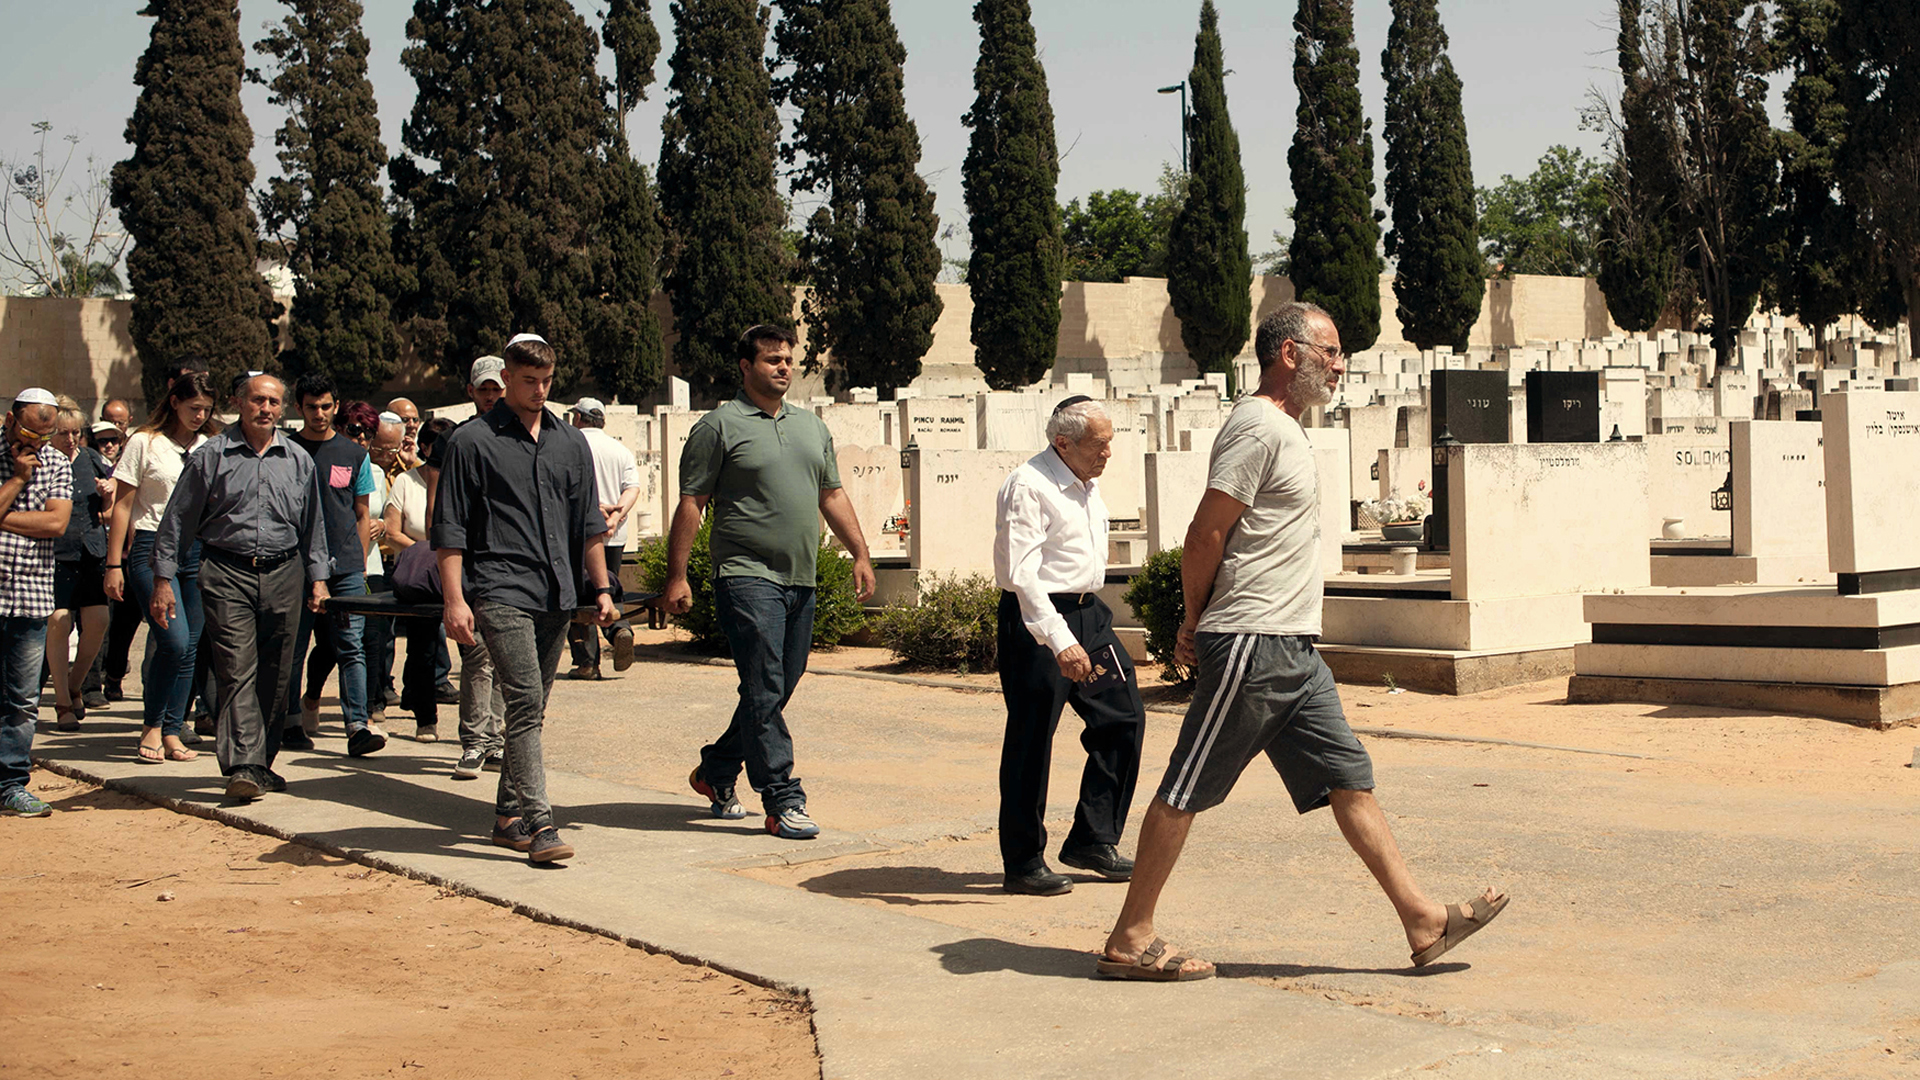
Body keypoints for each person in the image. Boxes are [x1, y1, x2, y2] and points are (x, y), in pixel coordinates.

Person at [1098, 303, 1508, 982]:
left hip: (1293, 647)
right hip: (1253, 641)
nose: (1340, 366)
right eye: (1331, 353)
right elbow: (1205, 533)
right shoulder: (1257, 427)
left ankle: (1422, 919)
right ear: (1289, 355)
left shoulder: (1284, 431)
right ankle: (1129, 934)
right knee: (1188, 784)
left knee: (1348, 777)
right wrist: (1194, 622)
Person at [667, 324, 876, 840]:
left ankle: (716, 769)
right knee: (763, 682)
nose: (783, 368)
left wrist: (861, 552)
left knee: (779, 685)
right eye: (771, 361)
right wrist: (677, 576)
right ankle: (782, 797)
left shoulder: (811, 428)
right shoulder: (718, 427)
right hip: (745, 574)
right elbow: (692, 502)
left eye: (788, 360)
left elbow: (831, 494)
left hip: (800, 576)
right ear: (745, 367)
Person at [435, 334, 615, 864]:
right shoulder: (472, 442)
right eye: (528, 381)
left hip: (557, 592)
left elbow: (588, 525)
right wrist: (454, 600)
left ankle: (506, 817)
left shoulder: (569, 442)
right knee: (521, 700)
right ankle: (540, 823)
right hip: (499, 589)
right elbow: (449, 529)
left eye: (546, 382)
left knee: (532, 708)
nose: (539, 391)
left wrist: (601, 588)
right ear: (506, 380)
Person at [992, 396, 1146, 895]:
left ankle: (1091, 838)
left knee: (1122, 717)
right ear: (1063, 443)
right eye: (1099, 444)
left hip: (1088, 615)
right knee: (1032, 739)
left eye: (1109, 443)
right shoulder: (1029, 486)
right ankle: (1022, 861)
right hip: (1038, 618)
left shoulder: (1085, 482)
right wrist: (1058, 640)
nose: (1108, 453)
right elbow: (1022, 575)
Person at [153, 375, 331, 801]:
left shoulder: (298, 459)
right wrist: (163, 578)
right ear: (239, 403)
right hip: (226, 572)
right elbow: (176, 523)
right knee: (236, 669)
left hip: (285, 573)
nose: (265, 408)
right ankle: (242, 764)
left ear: (282, 408)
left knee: (279, 670)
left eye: (273, 401)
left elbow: (313, 526)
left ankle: (260, 763)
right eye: (257, 400)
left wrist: (319, 579)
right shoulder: (211, 457)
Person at [104, 371, 219, 765]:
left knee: (189, 647)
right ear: (174, 402)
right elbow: (122, 505)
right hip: (151, 546)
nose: (199, 416)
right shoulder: (144, 442)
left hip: (198, 549)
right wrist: (113, 563)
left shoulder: (211, 446)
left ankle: (172, 729)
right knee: (171, 640)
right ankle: (151, 725)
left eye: (206, 410)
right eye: (193, 408)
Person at [280, 373, 379, 757]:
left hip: (347, 568)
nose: (319, 414)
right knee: (294, 645)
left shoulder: (355, 455)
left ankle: (357, 725)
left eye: (325, 406)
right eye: (310, 407)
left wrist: (360, 561)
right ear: (299, 408)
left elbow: (362, 513)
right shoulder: (287, 451)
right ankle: (290, 721)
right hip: (296, 566)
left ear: (336, 406)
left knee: (351, 645)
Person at [1, 389, 73, 817]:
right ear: (10, 419)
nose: (35, 444)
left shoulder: (59, 463)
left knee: (22, 700)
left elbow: (56, 522)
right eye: (28, 432)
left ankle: (10, 783)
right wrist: (17, 481)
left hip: (29, 593)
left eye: (44, 436)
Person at [44, 403, 114, 731]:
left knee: (98, 620)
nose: (71, 439)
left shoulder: (93, 460)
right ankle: (61, 702)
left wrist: (108, 494)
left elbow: (112, 512)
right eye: (63, 433)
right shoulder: (44, 462)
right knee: (59, 620)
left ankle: (74, 685)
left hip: (91, 550)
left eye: (76, 432)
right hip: (56, 552)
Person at [566, 397, 641, 681]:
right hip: (614, 536)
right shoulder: (619, 449)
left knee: (580, 597)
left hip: (581, 535)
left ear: (579, 418)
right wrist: (613, 519)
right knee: (609, 587)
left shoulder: (572, 445)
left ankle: (587, 662)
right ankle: (619, 628)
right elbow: (632, 488)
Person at [82, 421, 131, 708]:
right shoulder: (86, 468)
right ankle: (88, 687)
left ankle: (111, 677)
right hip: (96, 557)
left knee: (118, 626)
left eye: (114, 440)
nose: (109, 446)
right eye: (102, 442)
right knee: (93, 623)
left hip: (127, 557)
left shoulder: (124, 469)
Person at [388, 397, 422, 470]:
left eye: (415, 420)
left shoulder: (424, 451)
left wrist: (412, 462)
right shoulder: (377, 453)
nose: (412, 425)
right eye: (405, 420)